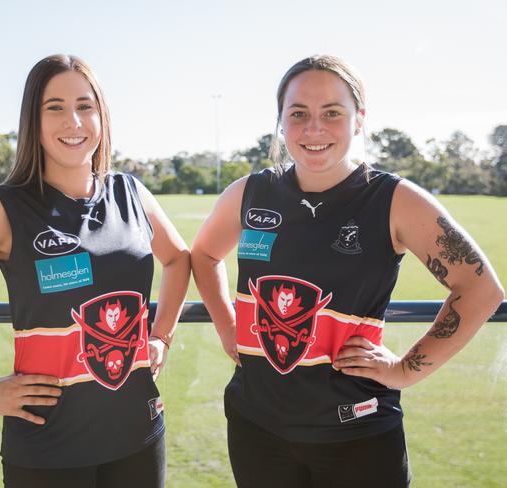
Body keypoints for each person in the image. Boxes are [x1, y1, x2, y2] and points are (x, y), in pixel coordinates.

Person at [0, 54, 190, 488]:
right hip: (50, 452)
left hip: (139, 435)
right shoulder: (1, 208)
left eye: (85, 105)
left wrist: (161, 336)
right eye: (54, 107)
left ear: (102, 115)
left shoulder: (131, 192)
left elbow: (178, 259)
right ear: (32, 121)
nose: (73, 121)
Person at [191, 54, 504, 488]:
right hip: (255, 425)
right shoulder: (249, 193)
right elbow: (203, 256)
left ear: (358, 120)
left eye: (332, 113)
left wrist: (406, 370)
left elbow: (480, 288)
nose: (313, 128)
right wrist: (228, 328)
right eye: (298, 113)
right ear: (280, 122)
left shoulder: (392, 199)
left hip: (357, 434)